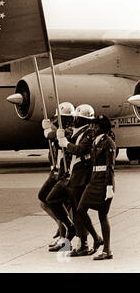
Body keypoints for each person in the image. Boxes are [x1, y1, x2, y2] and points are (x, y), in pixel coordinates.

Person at [58, 104, 102, 256]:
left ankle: (85, 242)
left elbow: (80, 149)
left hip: (82, 177)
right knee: (75, 211)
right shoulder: (80, 131)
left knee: (78, 211)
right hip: (75, 174)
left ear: (86, 120)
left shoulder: (89, 133)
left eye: (79, 118)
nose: (76, 120)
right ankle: (85, 240)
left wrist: (66, 144)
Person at [75, 115, 116, 260]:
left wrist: (109, 187)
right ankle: (96, 238)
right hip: (93, 181)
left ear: (102, 128)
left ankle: (107, 250)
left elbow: (110, 167)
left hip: (104, 182)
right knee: (80, 209)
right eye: (92, 125)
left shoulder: (108, 143)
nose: (92, 128)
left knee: (102, 215)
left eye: (96, 126)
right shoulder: (95, 141)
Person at [40, 102, 74, 248]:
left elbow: (56, 136)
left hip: (65, 174)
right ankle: (62, 228)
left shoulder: (70, 131)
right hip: (55, 171)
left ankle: (64, 236)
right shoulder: (60, 129)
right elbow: (52, 136)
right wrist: (48, 127)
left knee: (58, 204)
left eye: (60, 118)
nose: (57, 120)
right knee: (44, 200)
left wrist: (50, 130)